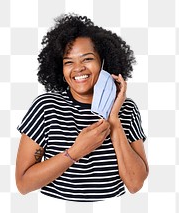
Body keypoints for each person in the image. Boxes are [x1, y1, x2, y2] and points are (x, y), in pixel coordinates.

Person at [15, 14, 149, 202]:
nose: (78, 68)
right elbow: (23, 184)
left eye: (87, 59)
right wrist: (76, 151)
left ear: (104, 61)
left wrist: (114, 121)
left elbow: (135, 184)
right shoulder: (45, 108)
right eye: (69, 62)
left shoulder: (126, 109)